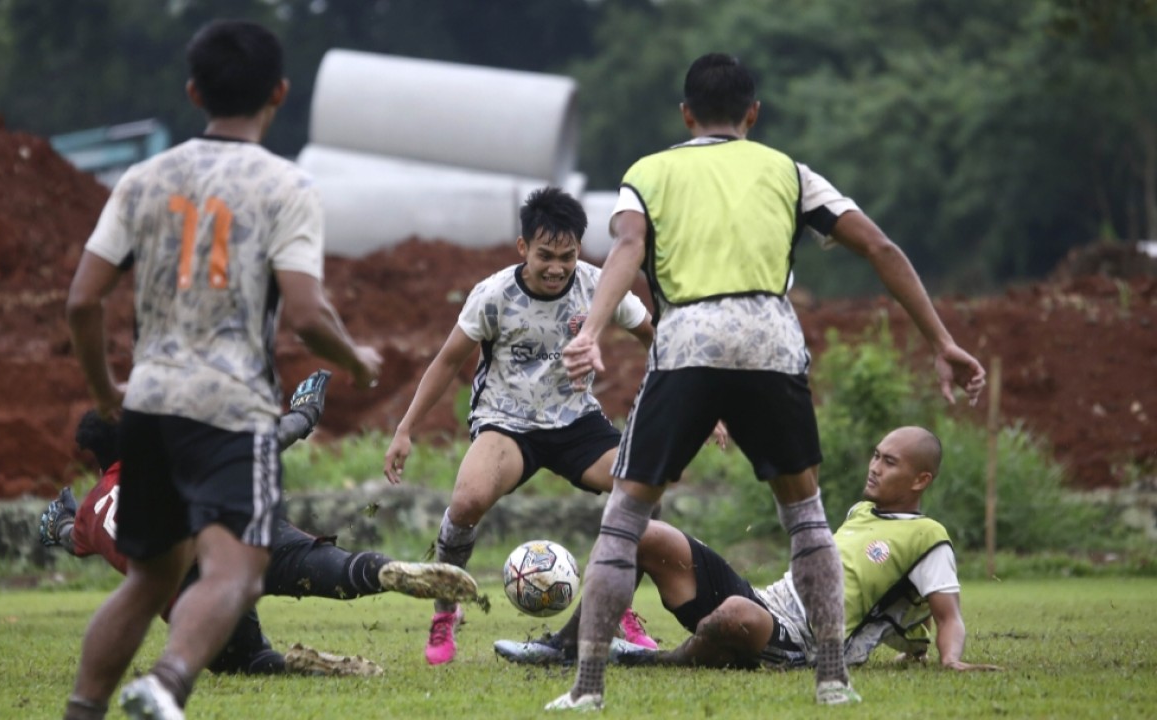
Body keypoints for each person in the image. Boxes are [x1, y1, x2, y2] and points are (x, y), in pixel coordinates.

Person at [549, 54, 987, 710]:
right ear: (752, 114)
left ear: (686, 115)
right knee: (806, 518)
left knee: (624, 520)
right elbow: (882, 249)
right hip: (771, 341)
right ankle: (834, 678)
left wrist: (591, 331)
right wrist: (942, 341)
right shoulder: (789, 171)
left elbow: (629, 248)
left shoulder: (648, 172)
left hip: (690, 339)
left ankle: (586, 689)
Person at [62, 20, 382, 720]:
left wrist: (105, 390)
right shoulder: (284, 185)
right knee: (239, 569)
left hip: (148, 403)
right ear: (279, 91)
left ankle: (83, 710)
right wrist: (354, 358)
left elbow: (83, 300)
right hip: (231, 410)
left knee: (148, 579)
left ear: (192, 90)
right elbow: (304, 313)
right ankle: (169, 682)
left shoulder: (143, 179)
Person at [382, 186, 676, 666]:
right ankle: (445, 610)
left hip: (576, 421)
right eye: (545, 255)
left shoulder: (600, 286)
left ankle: (618, 609)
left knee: (645, 490)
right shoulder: (493, 295)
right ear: (523, 249)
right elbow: (445, 362)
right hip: (507, 421)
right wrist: (405, 428)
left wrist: (703, 405)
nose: (557, 266)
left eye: (567, 255)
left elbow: (655, 337)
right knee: (466, 502)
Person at [40, 371, 480, 677]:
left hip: (194, 599)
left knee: (246, 662)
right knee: (323, 564)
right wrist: (304, 415)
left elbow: (67, 536)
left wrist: (57, 520)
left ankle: (292, 664)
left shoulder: (89, 511)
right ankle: (382, 571)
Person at [497, 427, 1003, 674]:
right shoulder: (861, 513)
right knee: (645, 533)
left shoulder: (928, 537)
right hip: (765, 604)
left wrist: (949, 658)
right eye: (876, 456)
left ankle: (657, 660)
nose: (874, 467)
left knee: (737, 614)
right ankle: (563, 649)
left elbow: (947, 614)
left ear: (920, 478)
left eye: (889, 462)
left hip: (801, 644)